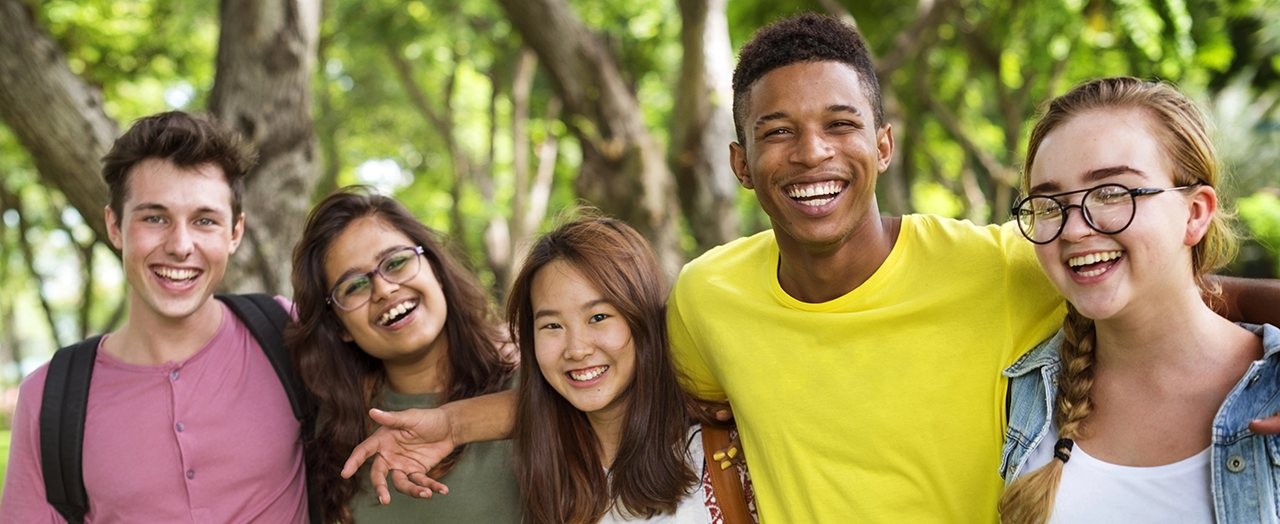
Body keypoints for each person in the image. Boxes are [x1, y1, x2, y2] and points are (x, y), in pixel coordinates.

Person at [339, 14, 1280, 523]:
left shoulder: (1001, 261)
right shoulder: (710, 295)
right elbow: (618, 387)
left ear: (881, 142)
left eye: (838, 125)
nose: (810, 154)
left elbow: (1175, 280)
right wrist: (451, 421)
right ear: (742, 165)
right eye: (775, 133)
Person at [1, 111, 310, 522]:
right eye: (154, 218)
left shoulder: (289, 333)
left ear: (234, 233)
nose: (181, 245)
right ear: (115, 226)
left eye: (204, 220)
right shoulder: (50, 397)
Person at [997, 77, 1280, 523]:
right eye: (1049, 205)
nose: (1073, 230)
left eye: (1112, 193)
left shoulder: (1271, 388)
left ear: (1195, 213)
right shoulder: (1028, 390)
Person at [288, 187, 520, 523]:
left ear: (436, 269)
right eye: (354, 286)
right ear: (340, 327)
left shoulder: (531, 377)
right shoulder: (334, 428)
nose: (383, 289)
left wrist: (456, 423)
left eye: (396, 262)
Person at [506, 217, 755, 523]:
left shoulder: (728, 452)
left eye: (598, 317)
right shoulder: (544, 473)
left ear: (643, 319)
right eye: (552, 325)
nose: (577, 349)